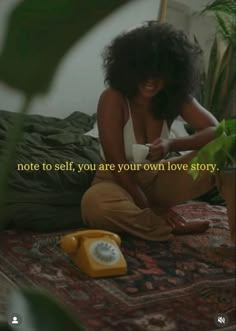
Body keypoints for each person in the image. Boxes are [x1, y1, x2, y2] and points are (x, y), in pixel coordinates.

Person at [81, 21, 233, 242]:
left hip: (160, 177)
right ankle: (166, 227)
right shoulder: (113, 98)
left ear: (172, 73)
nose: (151, 81)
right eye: (144, 73)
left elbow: (218, 132)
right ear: (130, 69)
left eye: (159, 74)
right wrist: (151, 208)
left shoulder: (173, 97)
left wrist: (172, 145)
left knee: (229, 150)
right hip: (116, 180)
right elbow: (115, 162)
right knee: (94, 205)